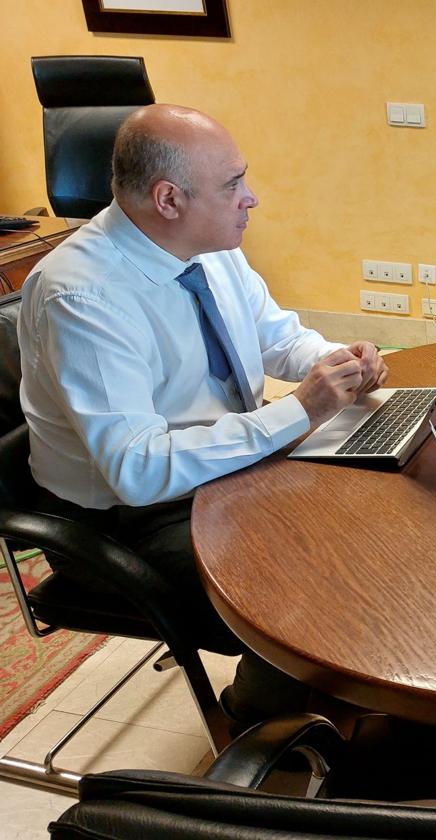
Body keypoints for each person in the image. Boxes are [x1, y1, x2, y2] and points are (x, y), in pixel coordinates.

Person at [18, 104, 388, 728]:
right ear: (168, 199)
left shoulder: (210, 247)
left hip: (220, 467)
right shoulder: (82, 295)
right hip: (126, 518)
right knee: (306, 586)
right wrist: (297, 412)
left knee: (373, 515)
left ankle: (349, 692)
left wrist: (336, 360)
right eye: (233, 184)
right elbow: (136, 469)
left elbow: (275, 336)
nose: (253, 199)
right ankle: (255, 720)